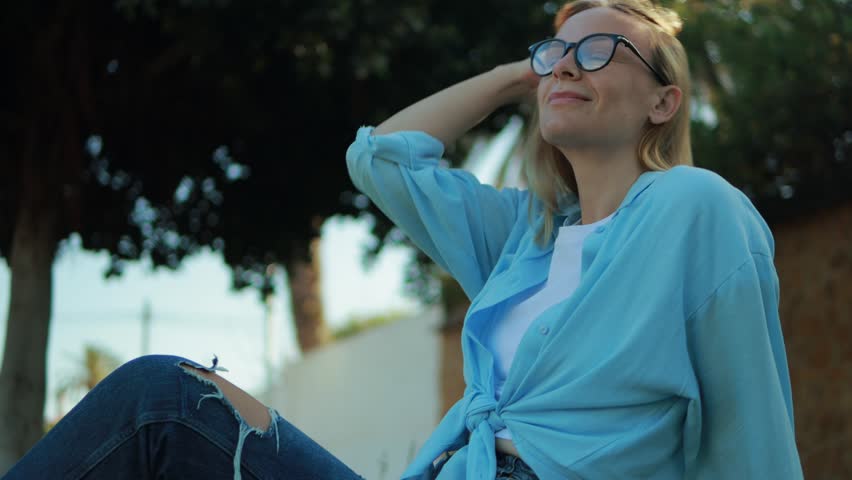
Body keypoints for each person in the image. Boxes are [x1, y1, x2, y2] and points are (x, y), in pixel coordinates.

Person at [4, 0, 803, 479]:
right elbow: (381, 158)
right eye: (555, 54)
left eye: (599, 51)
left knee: (163, 403)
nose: (566, 66)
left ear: (663, 103)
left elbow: (751, 422)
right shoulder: (522, 238)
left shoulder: (693, 209)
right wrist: (517, 77)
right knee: (167, 398)